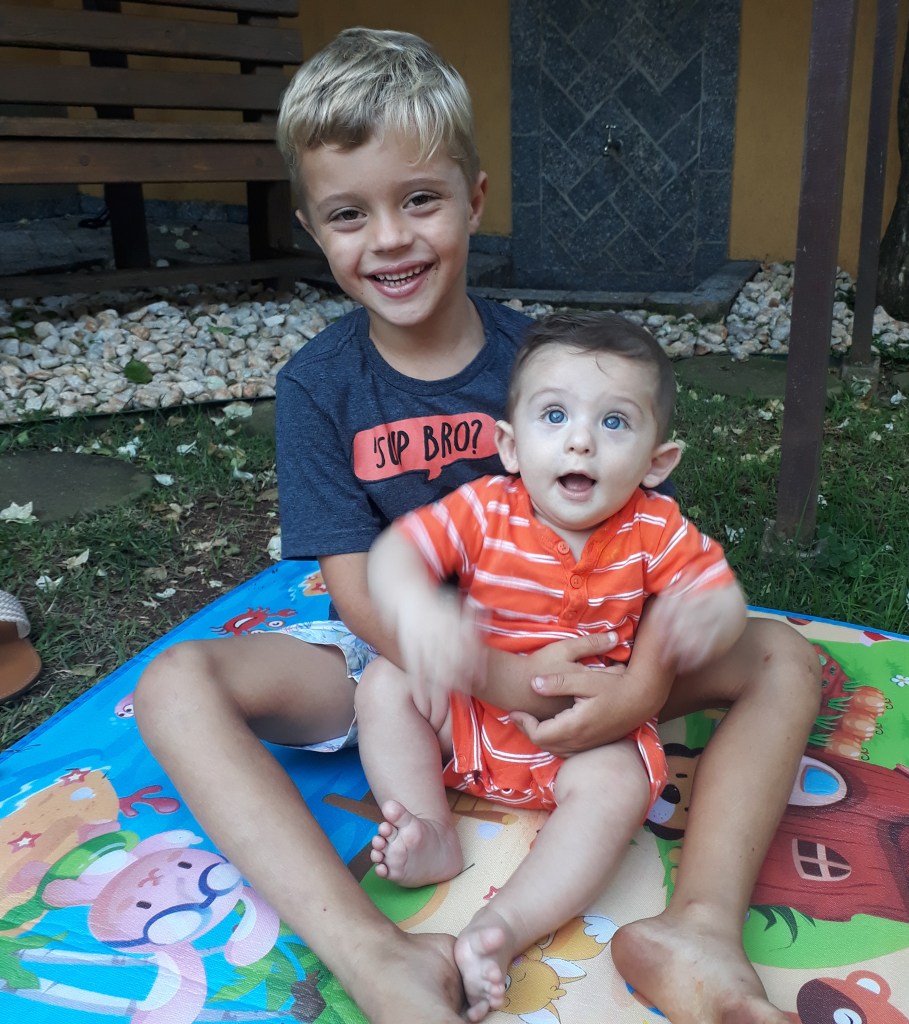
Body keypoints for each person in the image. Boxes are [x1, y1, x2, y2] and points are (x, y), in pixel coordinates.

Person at [133, 25, 821, 1024]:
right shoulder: (318, 385)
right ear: (313, 228)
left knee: (785, 657)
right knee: (173, 682)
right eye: (350, 213)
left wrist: (638, 687)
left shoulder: (546, 363)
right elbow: (357, 589)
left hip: (579, 647)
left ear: (475, 200)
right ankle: (377, 954)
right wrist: (493, 676)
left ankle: (700, 929)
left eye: (420, 199)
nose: (390, 238)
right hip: (399, 661)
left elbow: (642, 531)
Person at [358, 310, 749, 1020]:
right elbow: (393, 557)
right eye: (555, 415)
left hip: (584, 737)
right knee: (387, 681)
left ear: (657, 463)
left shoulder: (655, 528)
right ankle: (430, 828)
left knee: (618, 786)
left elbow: (719, 594)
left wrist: (707, 619)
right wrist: (418, 608)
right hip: (473, 720)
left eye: (614, 422)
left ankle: (501, 927)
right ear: (510, 445)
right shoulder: (483, 510)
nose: (580, 440)